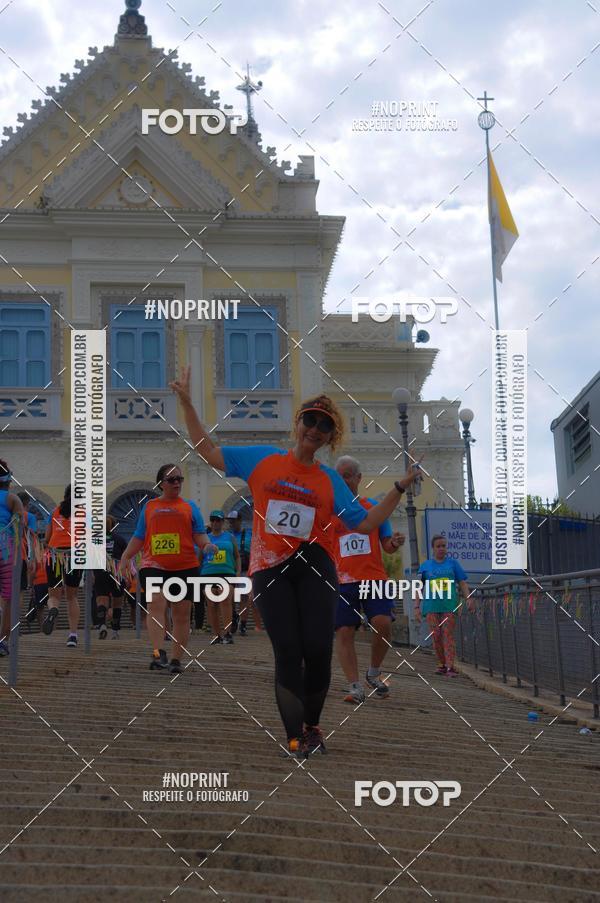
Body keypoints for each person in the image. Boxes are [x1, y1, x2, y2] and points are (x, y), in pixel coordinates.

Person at [170, 366, 422, 758]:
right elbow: (207, 449)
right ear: (299, 423)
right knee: (288, 651)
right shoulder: (262, 460)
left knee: (318, 650)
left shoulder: (329, 480)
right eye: (310, 420)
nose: (315, 429)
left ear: (329, 437)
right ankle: (294, 735)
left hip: (316, 564)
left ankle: (313, 726)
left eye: (324, 426)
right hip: (270, 568)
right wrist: (187, 403)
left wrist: (399, 487)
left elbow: (367, 522)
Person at [119, 464, 216, 674]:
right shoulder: (150, 507)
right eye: (171, 479)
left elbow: (199, 533)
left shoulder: (190, 507)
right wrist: (126, 556)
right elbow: (139, 536)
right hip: (154, 564)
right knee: (156, 604)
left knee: (181, 614)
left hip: (185, 566)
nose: (176, 483)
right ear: (161, 483)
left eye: (180, 479)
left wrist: (206, 545)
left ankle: (175, 659)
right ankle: (158, 652)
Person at [333, 455, 406, 703]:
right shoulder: (331, 511)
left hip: (373, 578)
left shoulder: (372, 507)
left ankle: (373, 671)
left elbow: (387, 545)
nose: (342, 480)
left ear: (358, 478)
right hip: (342, 581)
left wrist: (394, 542)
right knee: (344, 630)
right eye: (339, 476)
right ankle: (354, 686)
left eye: (347, 475)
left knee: (383, 623)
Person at [415, 535, 471, 676]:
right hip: (431, 606)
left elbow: (462, 583)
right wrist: (416, 606)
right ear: (433, 548)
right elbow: (418, 587)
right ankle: (441, 663)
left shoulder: (453, 564)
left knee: (448, 635)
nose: (441, 549)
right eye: (438, 546)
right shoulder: (426, 566)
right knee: (436, 635)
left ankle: (450, 666)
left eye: (443, 546)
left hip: (449, 605)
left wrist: (469, 598)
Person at [42, 484, 82, 646]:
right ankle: (72, 635)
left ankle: (53, 610)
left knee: (53, 595)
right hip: (74, 554)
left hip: (54, 554)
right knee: (71, 596)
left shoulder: (54, 512)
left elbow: (47, 537)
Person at [200, 510, 240, 645]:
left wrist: (238, 572)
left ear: (223, 522)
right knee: (211, 604)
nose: (215, 523)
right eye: (213, 520)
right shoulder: (205, 538)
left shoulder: (230, 537)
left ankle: (227, 633)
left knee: (225, 600)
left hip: (227, 573)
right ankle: (217, 635)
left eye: (218, 520)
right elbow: (199, 558)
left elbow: (237, 556)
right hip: (207, 573)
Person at [0, 461, 24, 655]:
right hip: (7, 550)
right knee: (9, 598)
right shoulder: (13, 499)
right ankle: (2, 641)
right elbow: (19, 530)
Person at [226, 509, 262, 634]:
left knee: (244, 597)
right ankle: (233, 618)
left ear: (240, 521)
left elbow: (256, 550)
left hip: (245, 570)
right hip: (230, 570)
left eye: (233, 521)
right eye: (229, 521)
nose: (231, 524)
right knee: (229, 598)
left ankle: (243, 624)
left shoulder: (249, 534)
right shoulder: (227, 535)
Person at [94, 516, 128, 640]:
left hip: (100, 571)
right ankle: (115, 631)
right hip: (117, 571)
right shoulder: (120, 539)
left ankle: (102, 625)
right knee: (117, 602)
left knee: (101, 601)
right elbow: (127, 557)